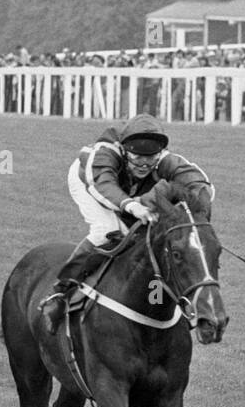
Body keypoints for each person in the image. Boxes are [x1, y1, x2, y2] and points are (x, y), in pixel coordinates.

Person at [39, 114, 215, 333]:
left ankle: (163, 301)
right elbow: (103, 184)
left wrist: (200, 209)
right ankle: (60, 292)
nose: (144, 163)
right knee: (107, 231)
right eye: (137, 156)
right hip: (90, 182)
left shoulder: (164, 160)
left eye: (150, 158)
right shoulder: (106, 153)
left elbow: (198, 182)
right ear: (123, 150)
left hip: (129, 190)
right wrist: (131, 206)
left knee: (151, 237)